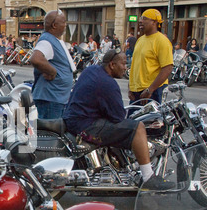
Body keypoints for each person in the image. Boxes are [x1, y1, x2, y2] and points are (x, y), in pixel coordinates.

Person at [63, 49, 175, 191]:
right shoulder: (108, 83)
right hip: (85, 126)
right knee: (138, 127)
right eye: (122, 64)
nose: (125, 67)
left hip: (75, 120)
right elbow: (117, 117)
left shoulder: (91, 70)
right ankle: (148, 177)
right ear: (112, 65)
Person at [30, 10, 76, 119]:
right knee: (50, 134)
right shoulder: (47, 40)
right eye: (64, 22)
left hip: (55, 98)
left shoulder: (52, 40)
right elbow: (36, 59)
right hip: (51, 99)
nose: (66, 25)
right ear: (54, 25)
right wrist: (52, 71)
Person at [128, 9, 173, 106]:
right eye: (140, 18)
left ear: (154, 22)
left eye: (144, 19)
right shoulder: (140, 40)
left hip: (150, 92)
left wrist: (150, 89)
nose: (141, 21)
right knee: (132, 120)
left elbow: (167, 68)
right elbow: (135, 65)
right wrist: (130, 87)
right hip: (136, 90)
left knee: (149, 120)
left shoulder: (162, 41)